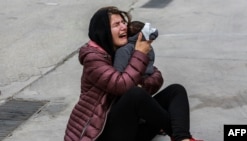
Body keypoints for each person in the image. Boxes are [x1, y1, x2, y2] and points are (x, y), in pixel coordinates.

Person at [64, 6, 200, 141]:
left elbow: (156, 75)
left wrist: (140, 79)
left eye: (124, 23)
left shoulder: (124, 49)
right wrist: (140, 54)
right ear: (104, 31)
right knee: (135, 94)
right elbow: (121, 86)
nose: (123, 27)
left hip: (129, 127)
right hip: (101, 134)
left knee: (176, 90)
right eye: (116, 24)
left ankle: (183, 138)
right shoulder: (93, 58)